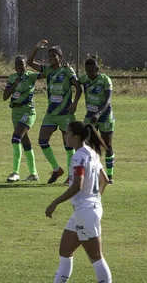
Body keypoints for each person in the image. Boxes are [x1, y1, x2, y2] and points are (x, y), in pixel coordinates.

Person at [45, 121, 112, 283]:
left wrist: (55, 202)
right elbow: (104, 180)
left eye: (67, 134)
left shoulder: (79, 156)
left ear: (75, 137)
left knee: (96, 257)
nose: (64, 136)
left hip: (86, 212)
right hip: (85, 211)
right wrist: (95, 199)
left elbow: (77, 185)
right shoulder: (91, 152)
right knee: (65, 251)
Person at [28, 40, 82, 184]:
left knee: (68, 145)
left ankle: (71, 176)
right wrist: (36, 48)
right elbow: (30, 63)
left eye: (54, 55)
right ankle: (57, 169)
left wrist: (75, 103)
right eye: (50, 55)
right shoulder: (48, 70)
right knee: (42, 141)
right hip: (51, 114)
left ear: (60, 57)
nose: (51, 58)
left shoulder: (67, 70)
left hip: (66, 114)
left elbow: (78, 88)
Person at [3, 55, 41, 182]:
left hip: (28, 111)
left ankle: (15, 172)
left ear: (26, 65)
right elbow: (5, 96)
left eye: (22, 64)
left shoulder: (30, 76)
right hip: (15, 112)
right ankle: (34, 173)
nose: (19, 67)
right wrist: (14, 85)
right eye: (17, 65)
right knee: (25, 142)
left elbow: (46, 74)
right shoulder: (12, 78)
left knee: (15, 138)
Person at [79, 57, 116, 184]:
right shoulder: (84, 79)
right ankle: (91, 174)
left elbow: (108, 100)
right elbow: (73, 81)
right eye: (87, 71)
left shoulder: (105, 80)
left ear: (97, 69)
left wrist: (99, 113)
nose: (90, 74)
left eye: (92, 71)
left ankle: (109, 176)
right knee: (87, 145)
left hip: (105, 116)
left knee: (107, 146)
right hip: (90, 117)